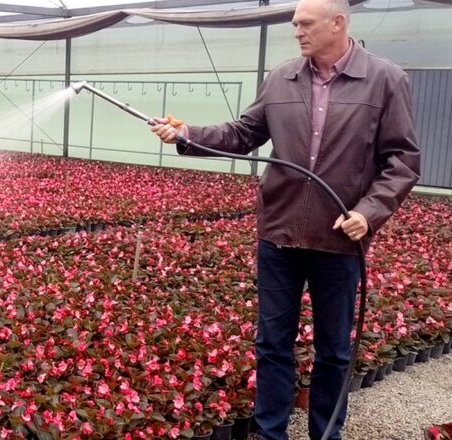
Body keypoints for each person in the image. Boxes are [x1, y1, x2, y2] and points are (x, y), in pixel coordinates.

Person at [151, 0, 421, 438]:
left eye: (305, 23)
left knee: (333, 350)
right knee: (272, 344)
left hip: (339, 239)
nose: (296, 31)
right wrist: (187, 134)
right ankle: (269, 431)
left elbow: (402, 160)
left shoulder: (384, 79)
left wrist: (368, 213)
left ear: (338, 23)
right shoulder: (281, 76)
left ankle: (325, 432)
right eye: (294, 24)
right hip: (278, 234)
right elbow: (242, 134)